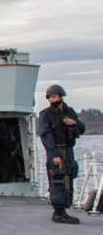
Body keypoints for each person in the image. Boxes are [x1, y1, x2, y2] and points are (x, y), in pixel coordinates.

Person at [38, 84, 85, 224]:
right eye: (50, 97)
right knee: (57, 179)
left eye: (54, 96)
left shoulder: (70, 111)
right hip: (56, 151)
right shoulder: (45, 114)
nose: (52, 99)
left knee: (69, 176)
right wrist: (54, 155)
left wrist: (74, 122)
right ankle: (58, 212)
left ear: (61, 96)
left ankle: (64, 209)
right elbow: (45, 135)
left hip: (68, 150)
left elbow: (82, 129)